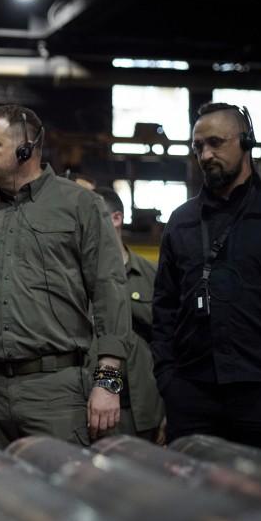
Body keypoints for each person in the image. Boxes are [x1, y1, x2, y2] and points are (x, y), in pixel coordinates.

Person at [0, 105, 130, 448]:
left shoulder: (81, 207)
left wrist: (107, 384)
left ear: (26, 150)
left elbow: (110, 293)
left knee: (58, 494)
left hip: (56, 392)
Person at [152, 102, 261, 453]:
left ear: (246, 142)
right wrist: (168, 381)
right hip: (193, 393)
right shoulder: (181, 220)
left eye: (216, 142)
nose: (205, 154)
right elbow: (164, 309)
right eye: (198, 147)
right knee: (193, 499)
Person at [95, 187, 165, 442]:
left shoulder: (150, 276)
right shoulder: (76, 278)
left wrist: (170, 411)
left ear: (116, 218)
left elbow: (171, 344)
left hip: (143, 412)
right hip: (90, 408)